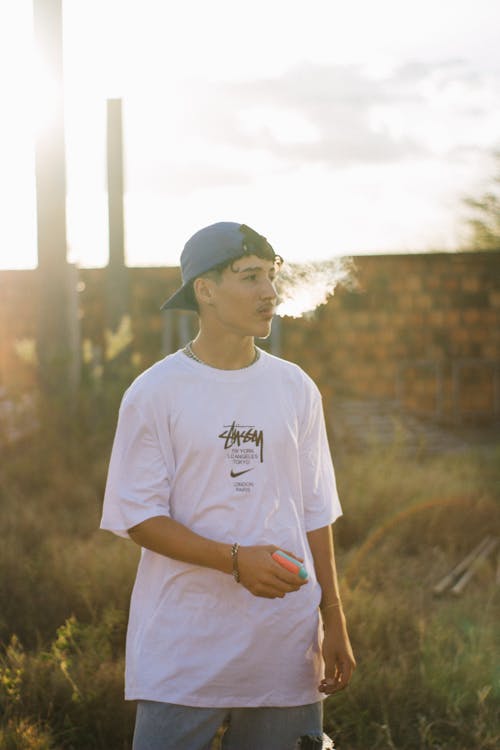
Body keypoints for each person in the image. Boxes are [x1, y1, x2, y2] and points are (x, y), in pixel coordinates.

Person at [100, 221, 356, 750]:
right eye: (249, 277)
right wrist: (237, 560)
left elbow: (314, 511)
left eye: (271, 275)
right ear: (206, 290)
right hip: (184, 650)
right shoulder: (156, 392)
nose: (268, 292)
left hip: (283, 651)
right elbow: (138, 516)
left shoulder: (296, 388)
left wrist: (333, 616)